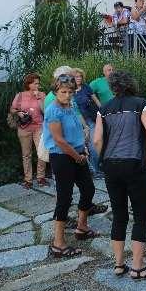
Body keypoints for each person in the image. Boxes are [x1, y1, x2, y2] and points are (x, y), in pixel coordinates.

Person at [93, 71, 146, 280]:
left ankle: (119, 264)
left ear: (112, 87)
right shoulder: (141, 104)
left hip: (111, 166)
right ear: (131, 84)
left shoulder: (103, 109)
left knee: (119, 215)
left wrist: (103, 159)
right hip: (134, 163)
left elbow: (96, 140)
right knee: (141, 215)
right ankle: (138, 267)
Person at [44, 74, 97, 258]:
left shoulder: (71, 105)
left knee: (88, 189)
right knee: (64, 198)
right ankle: (58, 243)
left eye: (70, 92)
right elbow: (58, 140)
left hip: (78, 153)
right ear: (55, 92)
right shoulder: (53, 110)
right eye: (63, 92)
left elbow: (76, 129)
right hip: (62, 157)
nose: (67, 95)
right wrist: (77, 157)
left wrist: (83, 149)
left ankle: (81, 227)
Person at [10, 73, 48, 188]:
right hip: (24, 128)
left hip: (39, 126)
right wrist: (18, 112)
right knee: (26, 154)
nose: (37, 85)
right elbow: (12, 109)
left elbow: (45, 111)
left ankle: (41, 177)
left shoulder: (42, 94)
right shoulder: (20, 95)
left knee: (41, 152)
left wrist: (38, 98)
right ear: (29, 84)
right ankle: (28, 180)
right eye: (35, 83)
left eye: (38, 83)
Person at [72, 68, 103, 179]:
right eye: (76, 77)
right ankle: (86, 172)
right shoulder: (69, 90)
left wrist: (103, 111)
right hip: (76, 123)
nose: (78, 78)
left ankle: (96, 170)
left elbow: (96, 101)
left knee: (94, 144)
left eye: (80, 76)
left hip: (89, 119)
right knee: (81, 148)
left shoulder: (86, 88)